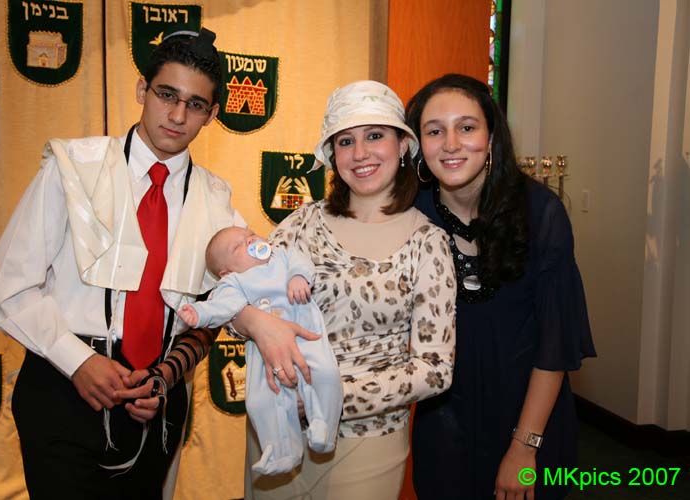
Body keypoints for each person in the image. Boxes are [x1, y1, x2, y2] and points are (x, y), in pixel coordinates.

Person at [0, 28, 243, 500]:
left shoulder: (217, 200)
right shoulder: (73, 166)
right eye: (167, 95)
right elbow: (10, 284)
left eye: (195, 104)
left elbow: (221, 309)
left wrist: (165, 377)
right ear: (143, 90)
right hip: (63, 381)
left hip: (156, 398)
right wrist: (78, 361)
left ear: (212, 114)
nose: (178, 115)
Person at [232, 80, 457, 499]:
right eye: (346, 141)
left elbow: (435, 369)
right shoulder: (302, 223)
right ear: (332, 155)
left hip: (367, 444)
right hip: (280, 431)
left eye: (375, 135)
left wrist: (327, 397)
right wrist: (255, 322)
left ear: (402, 145)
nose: (360, 153)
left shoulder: (427, 242)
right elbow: (237, 300)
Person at [405, 73, 597, 500]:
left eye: (466, 127)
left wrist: (524, 448)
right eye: (434, 131)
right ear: (419, 145)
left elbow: (554, 345)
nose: (450, 144)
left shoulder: (541, 213)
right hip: (444, 422)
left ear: (491, 137)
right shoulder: (412, 214)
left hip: (530, 418)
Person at [177, 226, 342, 476]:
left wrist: (298, 277)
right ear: (226, 271)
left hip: (307, 337)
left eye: (249, 235)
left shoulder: (281, 256)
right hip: (265, 355)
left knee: (326, 375)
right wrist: (198, 313)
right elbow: (223, 306)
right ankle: (281, 452)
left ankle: (324, 427)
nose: (250, 241)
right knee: (261, 401)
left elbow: (301, 262)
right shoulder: (234, 282)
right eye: (238, 246)